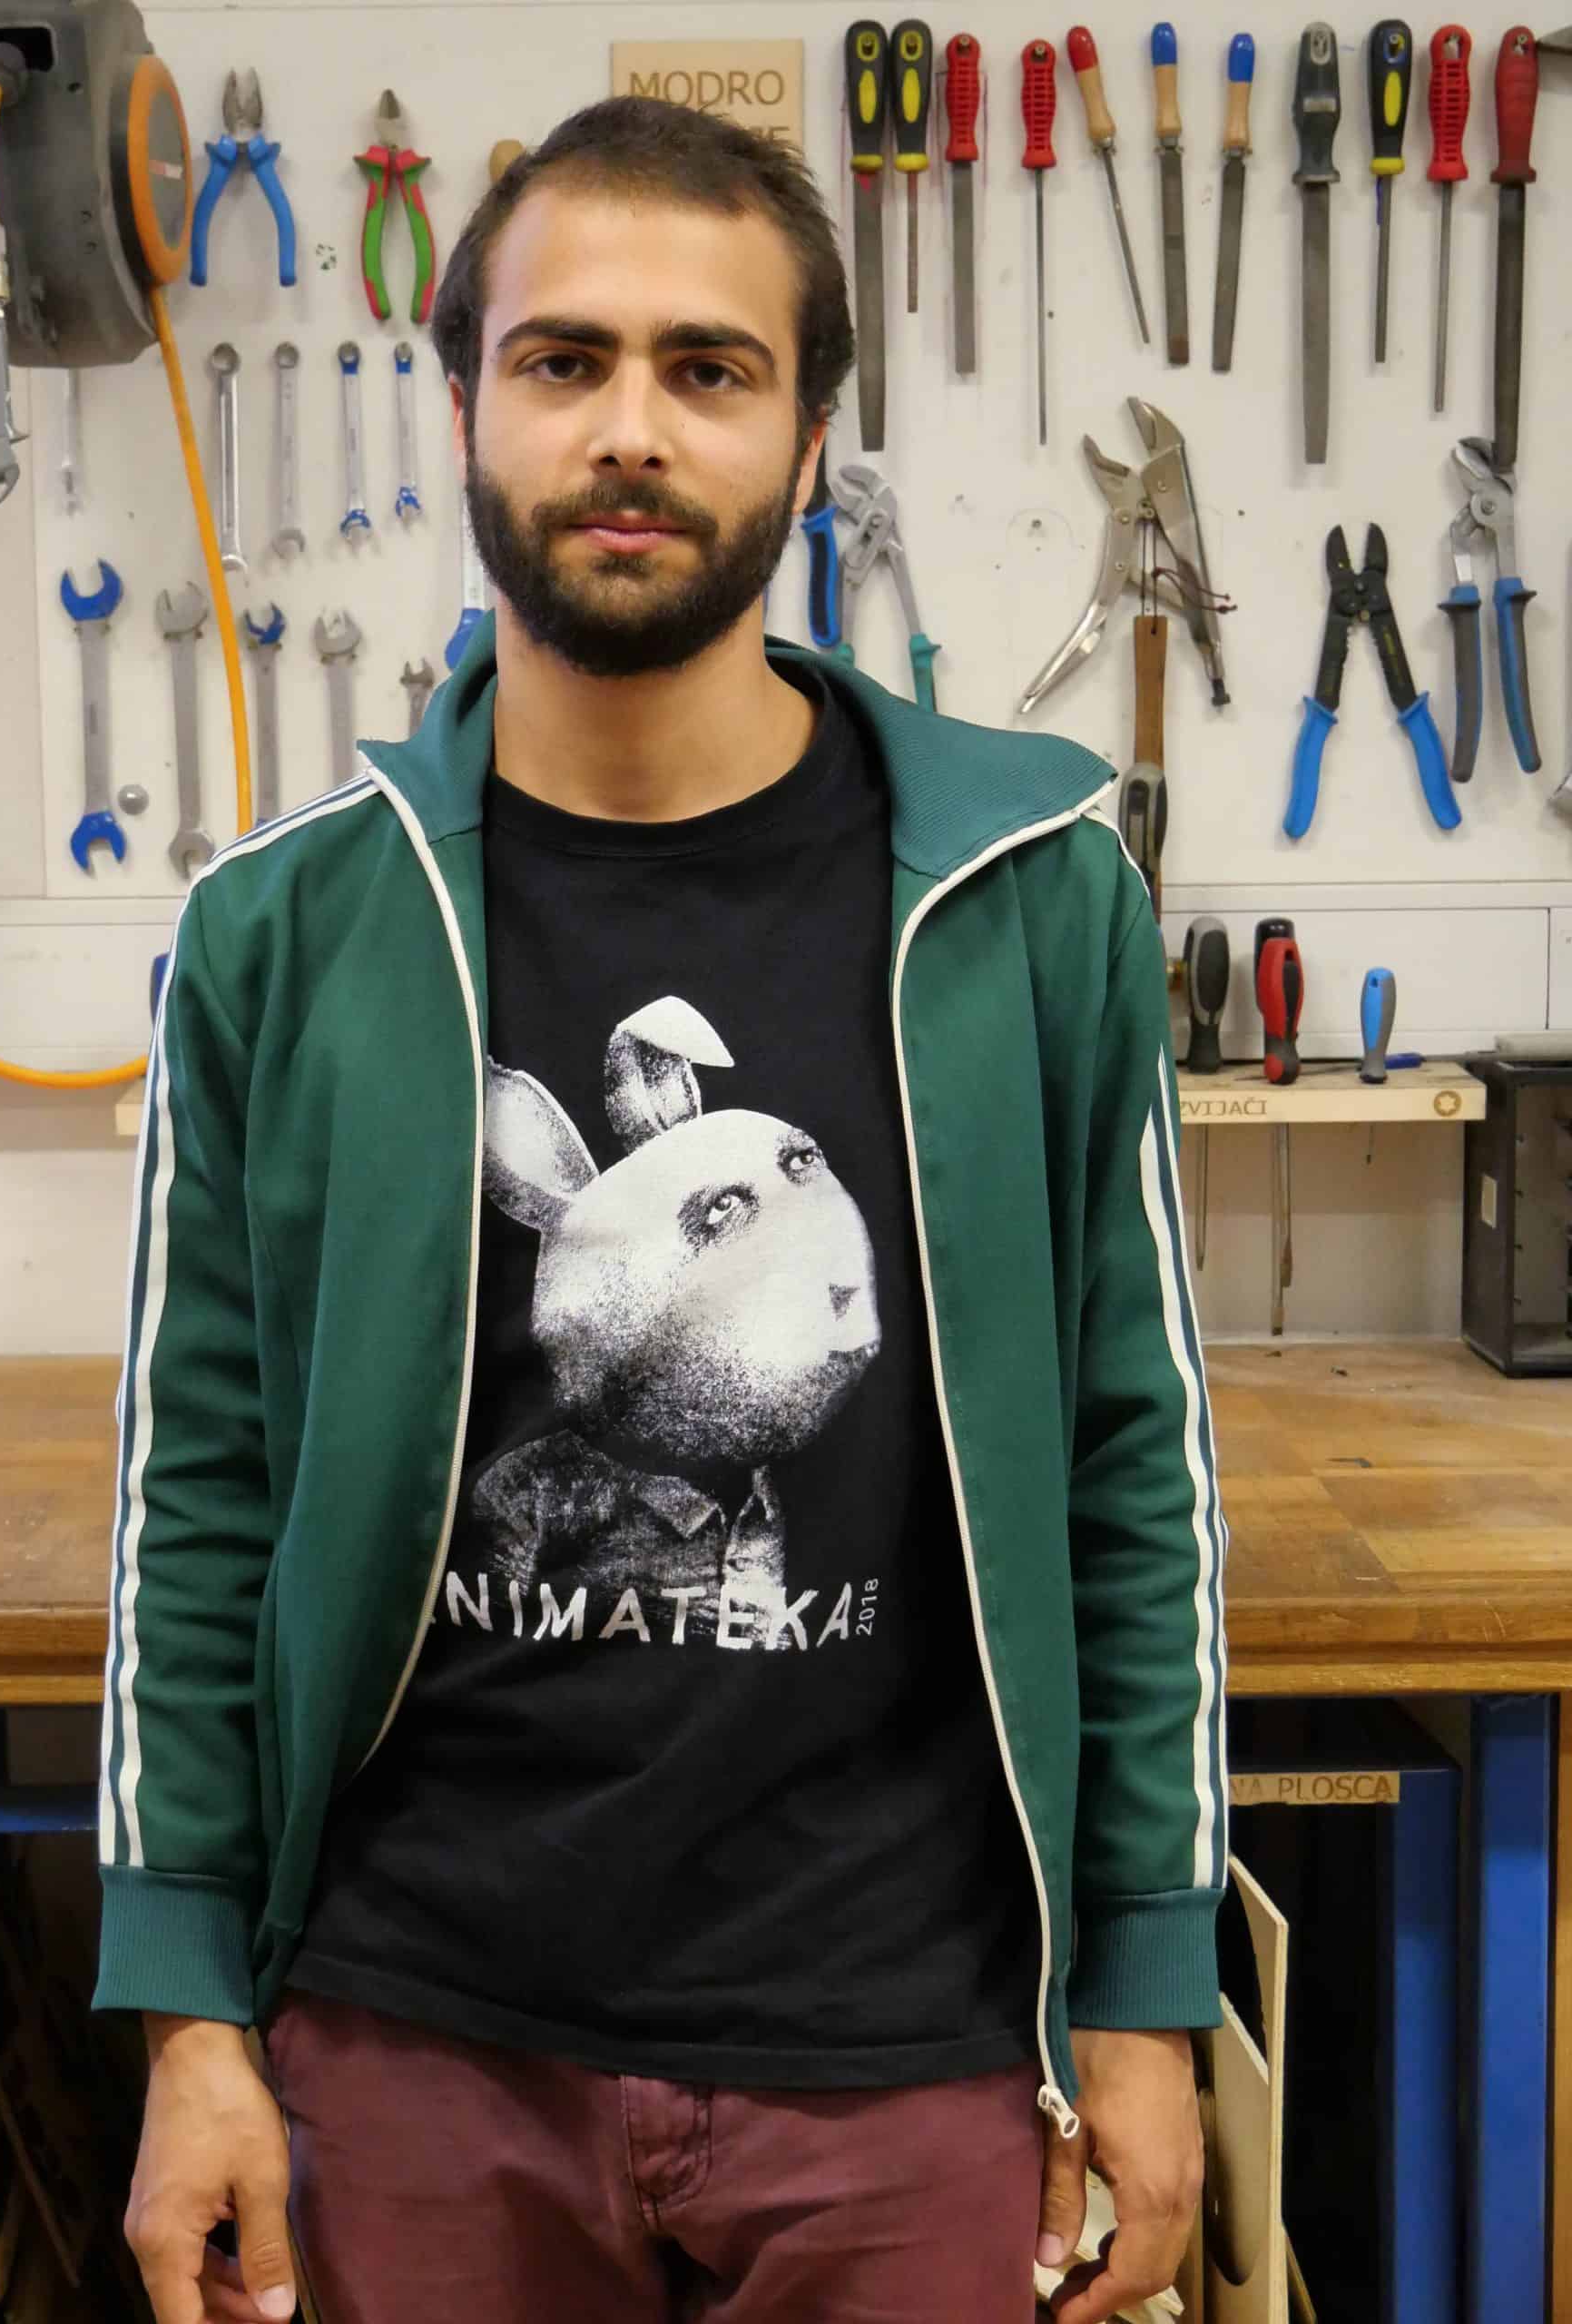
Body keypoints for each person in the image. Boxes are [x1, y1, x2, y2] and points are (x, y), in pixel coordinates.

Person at [95, 93, 1229, 2324]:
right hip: (415, 2030)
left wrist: (1141, 1979)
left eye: (708, 368)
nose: (630, 426)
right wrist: (188, 2009)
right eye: (564, 359)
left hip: (912, 2033)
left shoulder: (1032, 899)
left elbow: (1135, 1469)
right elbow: (197, 1495)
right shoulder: (284, 932)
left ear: (808, 444)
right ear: (461, 409)